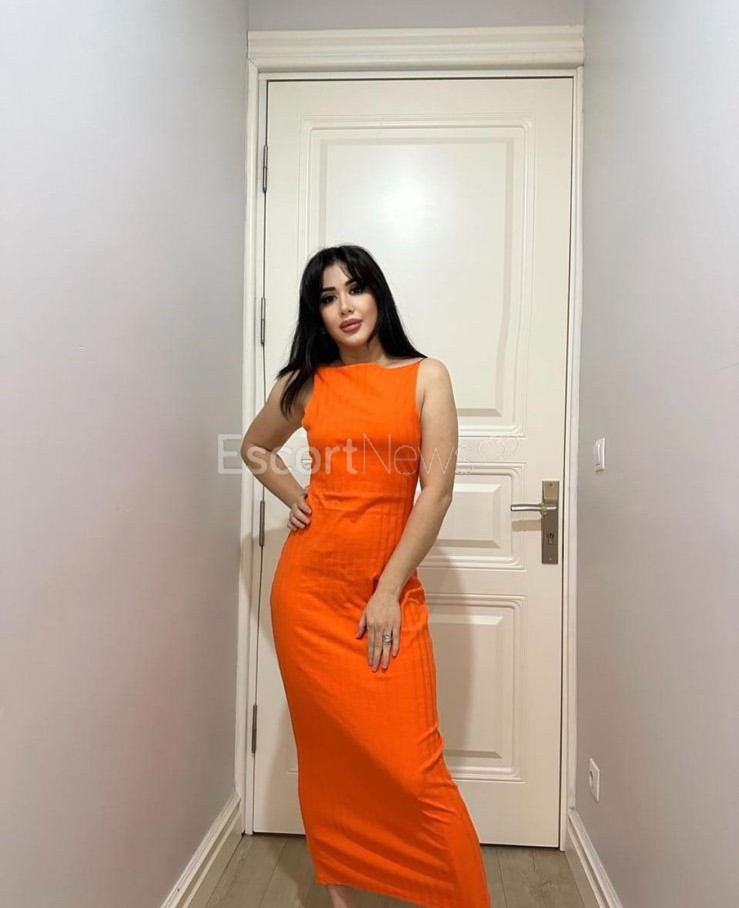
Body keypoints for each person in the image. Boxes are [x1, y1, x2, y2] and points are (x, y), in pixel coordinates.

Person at [241, 244, 492, 908]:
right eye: (327, 298)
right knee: (329, 756)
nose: (345, 307)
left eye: (355, 289)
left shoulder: (425, 376)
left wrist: (386, 590)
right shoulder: (305, 382)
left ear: (378, 295)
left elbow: (436, 492)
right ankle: (341, 893)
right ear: (316, 313)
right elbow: (254, 447)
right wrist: (295, 494)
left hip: (385, 593)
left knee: (415, 769)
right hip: (308, 595)